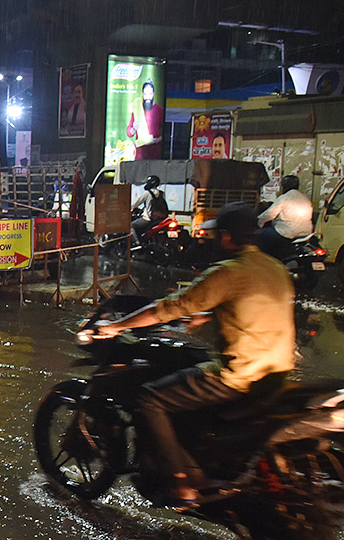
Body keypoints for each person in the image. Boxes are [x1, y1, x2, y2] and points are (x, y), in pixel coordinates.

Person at [93, 202, 295, 505]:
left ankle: (180, 483)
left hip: (239, 376)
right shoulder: (275, 267)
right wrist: (210, 313)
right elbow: (255, 304)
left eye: (218, 235)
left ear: (226, 237)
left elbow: (169, 307)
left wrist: (118, 327)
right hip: (277, 372)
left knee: (149, 399)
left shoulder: (227, 272)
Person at [256, 174, 314, 258]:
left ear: (284, 186)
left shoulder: (284, 198)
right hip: (305, 233)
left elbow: (269, 214)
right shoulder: (305, 199)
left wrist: (258, 223)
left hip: (286, 233)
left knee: (260, 235)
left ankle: (265, 261)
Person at [126, 80, 164, 160]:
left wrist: (157, 140)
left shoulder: (159, 110)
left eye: (150, 94)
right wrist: (133, 129)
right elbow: (129, 131)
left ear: (153, 94)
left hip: (154, 154)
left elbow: (165, 132)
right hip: (140, 154)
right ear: (143, 94)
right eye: (146, 94)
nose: (148, 97)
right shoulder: (137, 108)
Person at [130, 175, 168, 244]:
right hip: (160, 219)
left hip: (148, 219)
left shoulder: (147, 193)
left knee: (131, 225)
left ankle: (137, 242)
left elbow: (136, 203)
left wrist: (129, 208)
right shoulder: (162, 193)